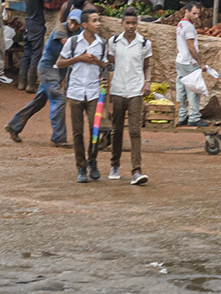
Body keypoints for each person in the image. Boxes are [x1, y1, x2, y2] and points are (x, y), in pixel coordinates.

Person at [7, 4, 77, 146]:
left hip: (57, 71)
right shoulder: (61, 30)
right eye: (72, 21)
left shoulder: (78, 32)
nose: (73, 25)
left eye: (77, 23)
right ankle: (59, 137)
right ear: (68, 19)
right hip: (47, 70)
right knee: (59, 99)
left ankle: (14, 125)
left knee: (39, 101)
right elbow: (68, 45)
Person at [58, 10, 109, 183]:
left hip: (94, 92)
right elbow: (60, 63)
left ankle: (92, 160)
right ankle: (81, 167)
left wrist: (96, 61)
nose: (98, 24)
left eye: (98, 20)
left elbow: (106, 66)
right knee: (77, 132)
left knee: (95, 129)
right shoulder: (73, 43)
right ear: (85, 25)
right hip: (75, 92)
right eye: (94, 21)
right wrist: (79, 58)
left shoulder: (101, 44)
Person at [104, 9, 153, 185]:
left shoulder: (144, 43)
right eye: (128, 23)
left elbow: (147, 65)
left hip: (135, 90)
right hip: (117, 90)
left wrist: (147, 82)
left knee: (134, 130)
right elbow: (110, 63)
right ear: (122, 23)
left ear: (137, 24)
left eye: (134, 23)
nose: (131, 26)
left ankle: (136, 170)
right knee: (116, 129)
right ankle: (114, 165)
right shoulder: (114, 41)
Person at [173, 2, 208, 127]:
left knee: (181, 88)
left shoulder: (181, 24)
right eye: (194, 13)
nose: (196, 16)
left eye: (198, 14)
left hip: (180, 60)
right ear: (186, 11)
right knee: (193, 89)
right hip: (188, 61)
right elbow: (191, 46)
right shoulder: (189, 27)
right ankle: (194, 117)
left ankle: (181, 116)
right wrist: (200, 62)